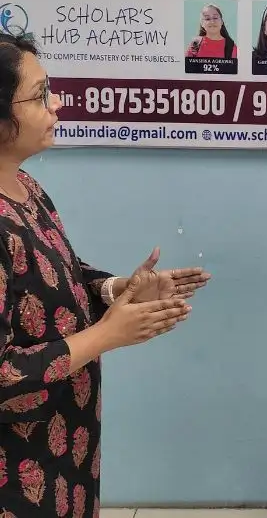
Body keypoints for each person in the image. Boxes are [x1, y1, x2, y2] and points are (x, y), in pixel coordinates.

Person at [0, 32, 211, 517]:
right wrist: (105, 336)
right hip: (16, 473)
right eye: (38, 96)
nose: (55, 105)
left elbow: (59, 274)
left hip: (64, 448)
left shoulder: (25, 186)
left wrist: (120, 289)